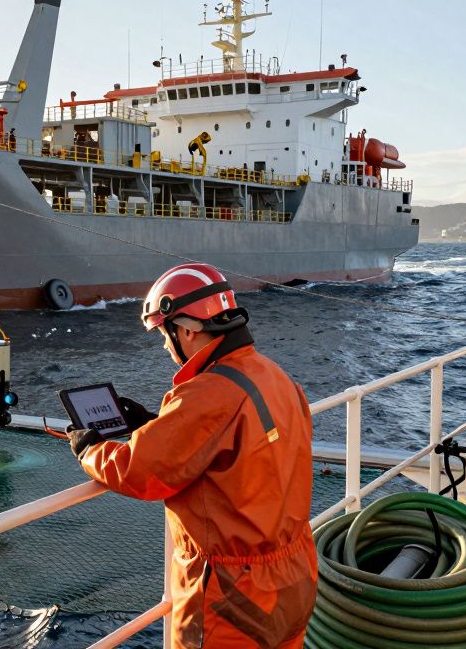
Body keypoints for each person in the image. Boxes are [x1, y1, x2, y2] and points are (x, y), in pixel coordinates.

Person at [68, 263, 316, 648]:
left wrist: (89, 450)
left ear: (187, 329)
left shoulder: (207, 392)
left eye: (164, 334)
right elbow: (239, 449)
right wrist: (157, 425)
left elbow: (139, 472)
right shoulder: (274, 375)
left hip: (234, 594)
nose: (165, 346)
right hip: (294, 574)